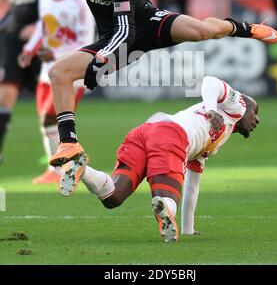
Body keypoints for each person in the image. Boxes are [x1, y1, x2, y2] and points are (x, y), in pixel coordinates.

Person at [39, 0, 277, 166]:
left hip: (140, 24)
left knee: (200, 30)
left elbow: (127, 30)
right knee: (58, 73)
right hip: (113, 37)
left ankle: (246, 28)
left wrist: (100, 62)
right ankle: (69, 144)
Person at [57, 76, 260, 243]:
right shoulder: (237, 108)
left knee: (113, 197)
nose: (257, 119)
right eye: (256, 112)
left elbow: (192, 186)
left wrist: (189, 229)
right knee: (167, 197)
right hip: (171, 136)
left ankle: (82, 169)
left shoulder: (213, 143)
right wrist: (211, 109)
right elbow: (211, 82)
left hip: (145, 133)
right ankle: (165, 208)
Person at [18, 0, 95, 184]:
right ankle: (62, 167)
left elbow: (86, 42)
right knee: (45, 120)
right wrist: (30, 50)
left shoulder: (80, 3)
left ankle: (65, 165)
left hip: (71, 71)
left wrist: (57, 55)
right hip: (47, 68)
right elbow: (44, 26)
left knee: (53, 116)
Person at [0, 0, 48, 164]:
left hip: (39, 44)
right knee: (5, 95)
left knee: (45, 99)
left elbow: (52, 7)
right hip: (14, 44)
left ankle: (54, 153)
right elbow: (14, 10)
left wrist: (38, 27)